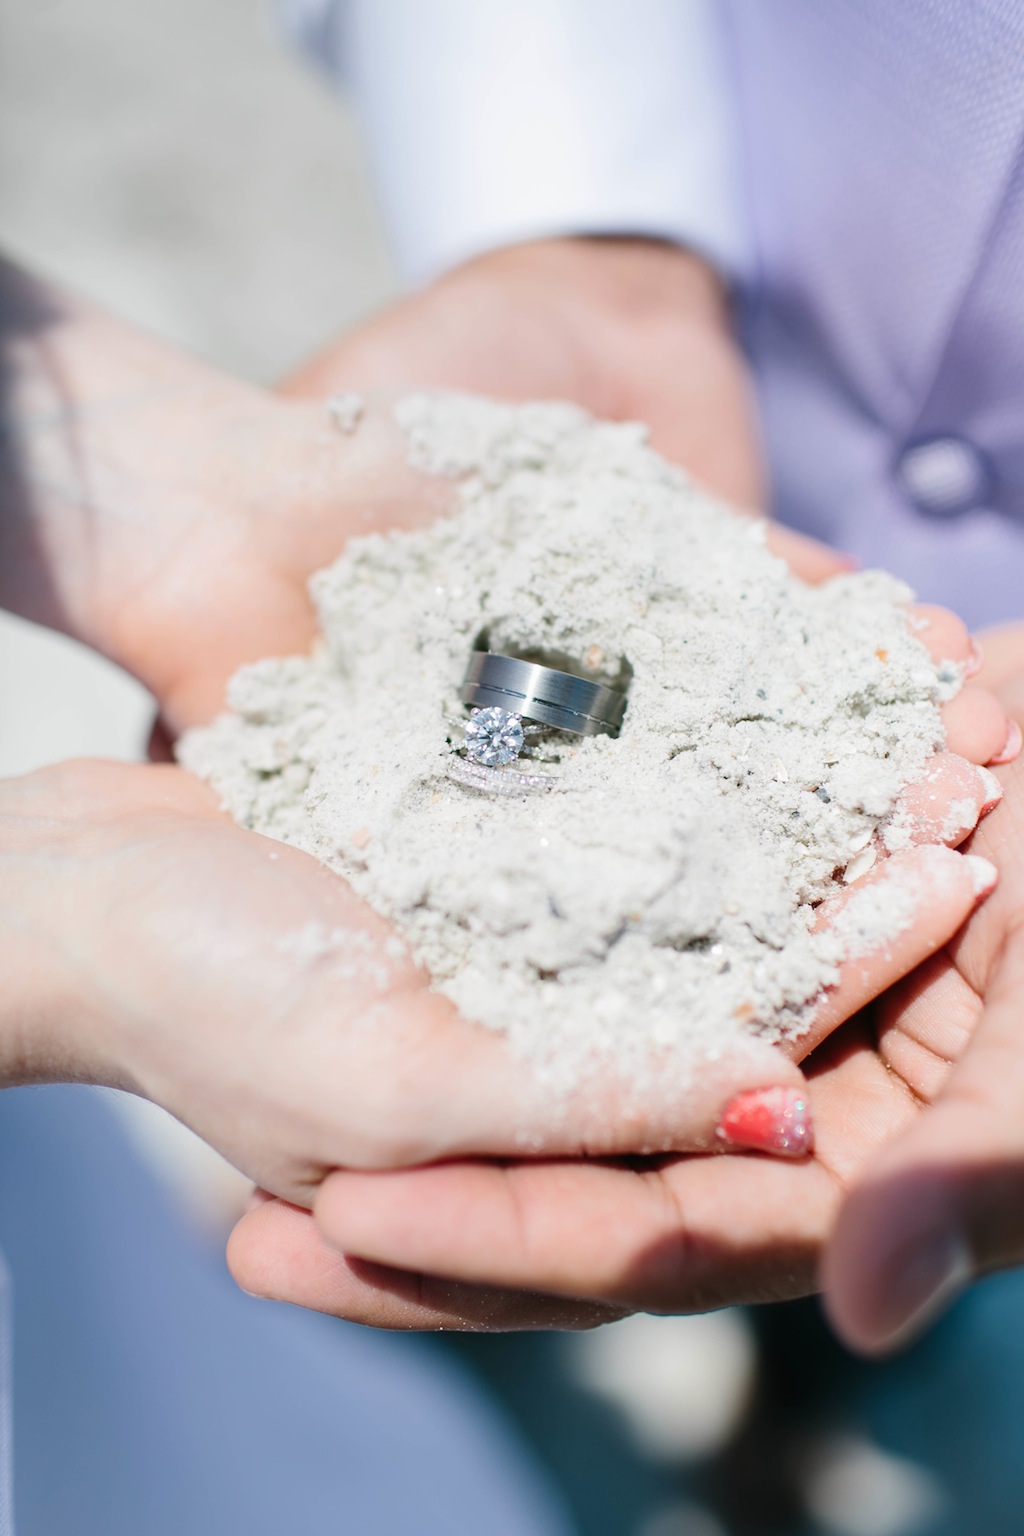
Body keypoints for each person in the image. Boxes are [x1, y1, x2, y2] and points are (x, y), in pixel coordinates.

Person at [240, 0, 1024, 1357]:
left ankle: (812, 1389)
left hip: (895, 723)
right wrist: (577, 236)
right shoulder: (530, 633)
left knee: (876, 1209)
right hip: (707, 361)